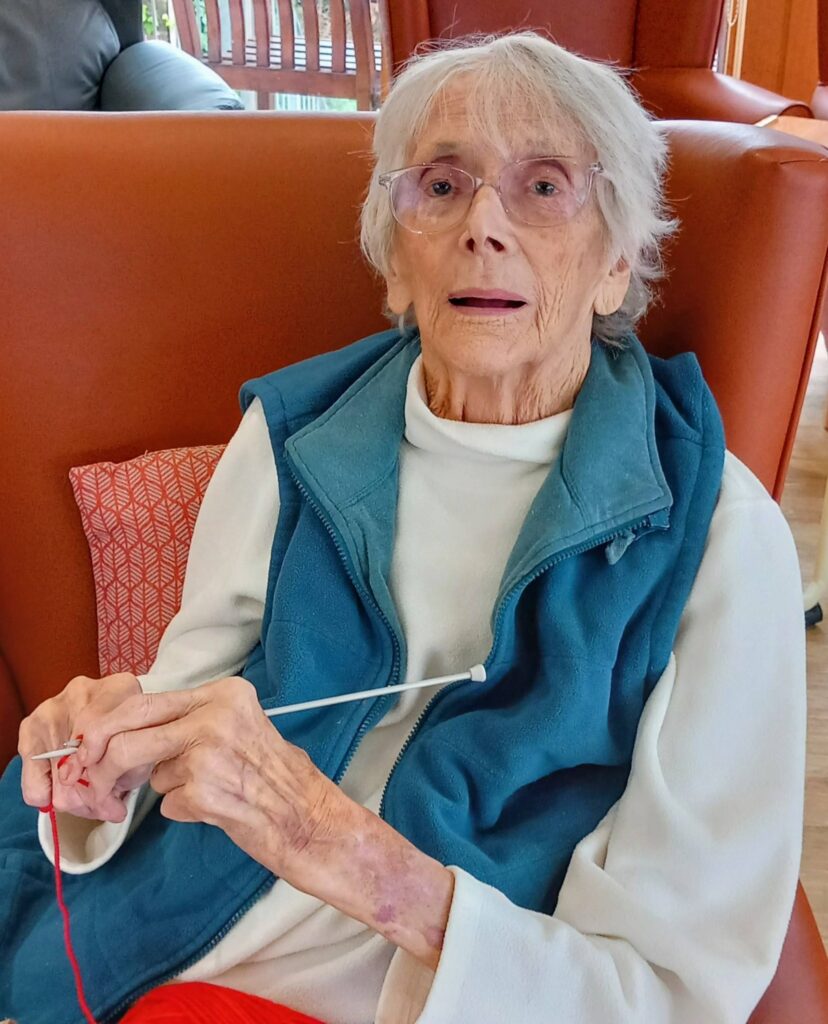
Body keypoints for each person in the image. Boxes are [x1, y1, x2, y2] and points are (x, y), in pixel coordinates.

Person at [3, 30, 805, 1024]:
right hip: (168, 946)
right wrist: (98, 758)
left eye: (545, 187)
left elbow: (674, 992)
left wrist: (344, 851)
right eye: (442, 186)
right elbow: (183, 699)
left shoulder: (723, 537)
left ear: (617, 263)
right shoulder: (290, 438)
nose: (484, 226)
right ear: (393, 263)